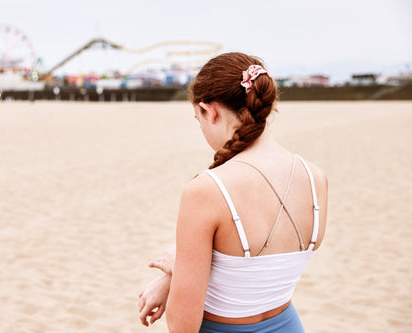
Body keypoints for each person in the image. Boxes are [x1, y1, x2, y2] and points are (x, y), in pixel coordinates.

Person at [137, 52, 328, 333]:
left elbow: (182, 326)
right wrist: (177, 272)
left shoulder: (206, 190)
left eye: (198, 119)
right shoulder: (316, 180)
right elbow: (251, 277)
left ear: (209, 110)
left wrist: (178, 267)